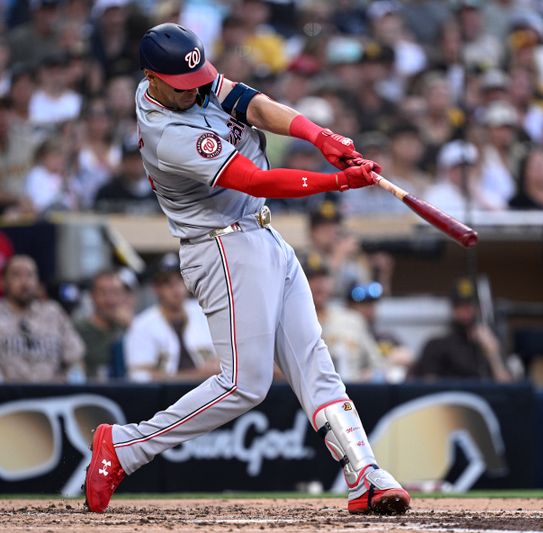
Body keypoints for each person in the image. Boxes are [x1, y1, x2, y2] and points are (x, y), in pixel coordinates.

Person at [83, 23, 410, 516]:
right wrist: (338, 182)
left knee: (313, 361)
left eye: (199, 79)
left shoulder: (185, 79)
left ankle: (364, 473)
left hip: (260, 234)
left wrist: (320, 136)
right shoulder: (167, 132)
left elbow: (251, 104)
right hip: (221, 247)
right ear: (153, 78)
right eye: (183, 85)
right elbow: (257, 180)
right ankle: (125, 447)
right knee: (244, 384)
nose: (196, 90)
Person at [124, 255, 218, 383]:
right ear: (156, 289)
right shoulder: (142, 324)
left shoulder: (205, 311)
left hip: (210, 391)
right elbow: (138, 376)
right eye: (167, 283)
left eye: (180, 280)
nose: (176, 289)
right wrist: (197, 375)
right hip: (165, 397)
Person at [0, 255, 85, 383]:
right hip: (9, 397)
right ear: (3, 282)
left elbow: (75, 358)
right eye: (16, 275)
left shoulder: (53, 312)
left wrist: (75, 377)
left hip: (52, 396)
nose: (25, 282)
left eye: (30, 275)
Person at [409, 277, 511, 382]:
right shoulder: (436, 346)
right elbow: (427, 388)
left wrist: (493, 354)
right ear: (452, 308)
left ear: (478, 308)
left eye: (470, 304)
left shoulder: (489, 345)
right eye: (460, 305)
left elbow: (508, 390)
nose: (466, 310)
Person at [304, 253, 384, 383]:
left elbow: (377, 365)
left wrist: (369, 375)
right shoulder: (289, 323)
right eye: (312, 278)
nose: (319, 284)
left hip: (353, 393)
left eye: (324, 277)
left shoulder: (352, 320)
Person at [73, 270, 133, 381]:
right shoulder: (78, 329)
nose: (110, 300)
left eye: (115, 293)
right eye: (103, 293)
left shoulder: (129, 327)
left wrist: (133, 327)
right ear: (92, 296)